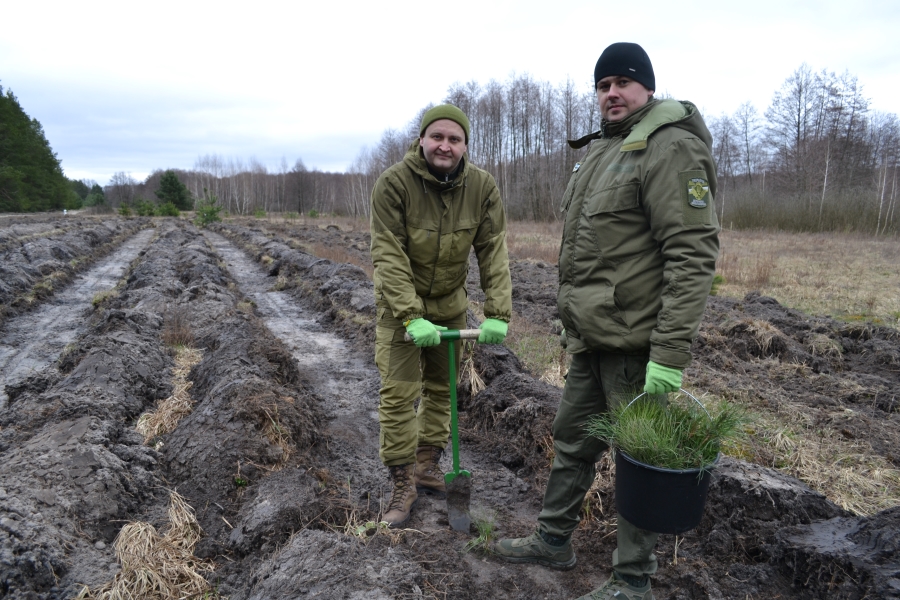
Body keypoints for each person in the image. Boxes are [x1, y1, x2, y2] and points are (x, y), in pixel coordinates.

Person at [493, 42, 720, 600]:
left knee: (638, 459)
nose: (611, 93)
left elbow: (692, 257)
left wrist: (668, 358)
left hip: (638, 349)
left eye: (623, 81)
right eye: (602, 85)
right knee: (571, 441)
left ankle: (633, 579)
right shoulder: (604, 149)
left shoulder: (670, 149)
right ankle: (553, 540)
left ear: (646, 86)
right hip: (593, 341)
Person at [370, 104, 512, 528]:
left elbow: (493, 250)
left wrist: (497, 312)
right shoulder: (394, 184)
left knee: (441, 389)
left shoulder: (482, 188)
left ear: (465, 145)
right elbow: (388, 253)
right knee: (398, 392)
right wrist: (411, 316)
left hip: (450, 306)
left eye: (455, 139)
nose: (445, 145)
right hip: (400, 311)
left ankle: (426, 465)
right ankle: (401, 482)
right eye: (437, 137)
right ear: (422, 140)